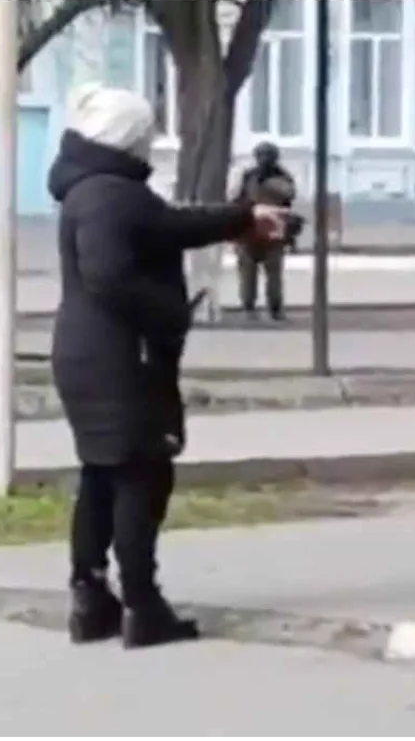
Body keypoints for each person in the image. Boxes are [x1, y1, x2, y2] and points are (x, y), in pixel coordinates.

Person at [47, 83, 289, 649]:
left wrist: (241, 218)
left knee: (102, 472)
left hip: (86, 354)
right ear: (131, 141)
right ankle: (142, 604)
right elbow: (111, 274)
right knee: (142, 474)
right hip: (120, 360)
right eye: (147, 139)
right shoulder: (110, 195)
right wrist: (169, 315)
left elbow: (169, 226)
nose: (151, 149)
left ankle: (91, 597)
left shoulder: (94, 188)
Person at [231, 142, 300, 320]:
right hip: (249, 231)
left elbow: (289, 197)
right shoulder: (248, 176)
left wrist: (269, 184)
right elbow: (237, 199)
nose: (264, 159)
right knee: (248, 273)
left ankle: (275, 309)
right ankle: (249, 307)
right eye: (261, 155)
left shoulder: (282, 177)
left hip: (273, 233)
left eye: (268, 155)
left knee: (274, 275)